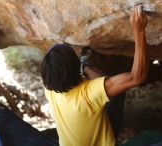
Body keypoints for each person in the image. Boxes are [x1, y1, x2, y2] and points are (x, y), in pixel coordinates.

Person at [40, 4, 148, 146]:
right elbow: (137, 77)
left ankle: (86, 66)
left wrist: (82, 67)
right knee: (116, 93)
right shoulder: (88, 94)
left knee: (103, 89)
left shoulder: (50, 87)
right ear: (75, 68)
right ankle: (86, 66)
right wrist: (138, 30)